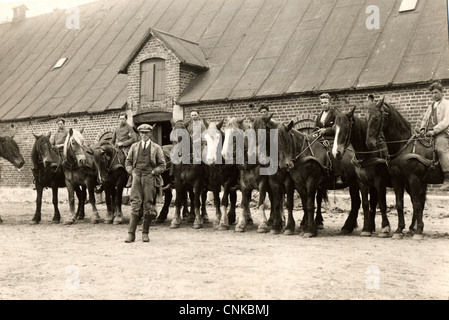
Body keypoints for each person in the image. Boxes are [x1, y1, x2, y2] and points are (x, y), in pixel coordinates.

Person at [124, 124, 166, 243]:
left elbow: (163, 165)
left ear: (150, 134)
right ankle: (131, 234)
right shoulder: (134, 147)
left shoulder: (156, 148)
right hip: (136, 177)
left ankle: (145, 233)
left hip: (149, 177)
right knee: (135, 204)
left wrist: (154, 171)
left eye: (146, 133)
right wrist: (131, 171)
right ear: (139, 134)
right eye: (142, 133)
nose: (144, 135)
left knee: (147, 204)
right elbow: (128, 162)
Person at [418, 81, 449, 191]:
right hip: (429, 133)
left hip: (442, 133)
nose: (433, 95)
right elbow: (425, 119)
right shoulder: (431, 106)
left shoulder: (447, 104)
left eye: (435, 92)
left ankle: (447, 178)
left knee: (440, 150)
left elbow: (446, 122)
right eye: (431, 93)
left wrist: (434, 131)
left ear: (441, 92)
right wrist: (422, 128)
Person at [315, 93, 344, 186]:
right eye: (322, 103)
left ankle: (338, 176)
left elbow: (338, 127)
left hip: (332, 138)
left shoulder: (335, 113)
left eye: (325, 103)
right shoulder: (319, 116)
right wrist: (316, 133)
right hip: (320, 139)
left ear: (330, 102)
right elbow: (315, 127)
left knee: (333, 152)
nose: (324, 105)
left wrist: (326, 130)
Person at [111, 113, 138, 188]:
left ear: (126, 119)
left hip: (127, 148)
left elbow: (134, 138)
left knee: (129, 160)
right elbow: (113, 140)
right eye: (120, 119)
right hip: (117, 148)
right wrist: (111, 146)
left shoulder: (129, 128)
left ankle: (130, 177)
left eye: (123, 119)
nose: (121, 120)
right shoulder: (116, 129)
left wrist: (123, 143)